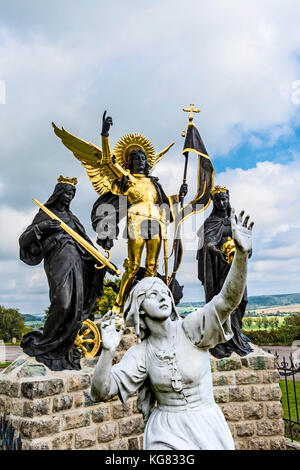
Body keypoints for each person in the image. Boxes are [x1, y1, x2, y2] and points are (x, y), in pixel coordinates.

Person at [91, 210, 254, 450]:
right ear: (140, 309)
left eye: (164, 293)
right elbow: (101, 391)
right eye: (152, 294)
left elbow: (227, 301)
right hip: (166, 431)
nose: (163, 297)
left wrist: (241, 255)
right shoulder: (142, 354)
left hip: (206, 425)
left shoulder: (191, 330)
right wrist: (107, 351)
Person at [19, 176, 106, 371]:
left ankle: (63, 345)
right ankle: (46, 342)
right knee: (62, 302)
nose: (69, 197)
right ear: (58, 193)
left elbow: (86, 244)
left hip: (76, 264)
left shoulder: (72, 219)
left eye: (72, 194)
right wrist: (43, 227)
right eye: (67, 193)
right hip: (57, 263)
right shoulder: (46, 214)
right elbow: (24, 239)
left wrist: (100, 261)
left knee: (73, 306)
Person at [197, 186, 252, 358]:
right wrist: (213, 249)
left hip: (236, 268)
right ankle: (224, 339)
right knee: (225, 303)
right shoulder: (210, 222)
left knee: (242, 300)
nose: (222, 203)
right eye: (218, 200)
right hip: (220, 269)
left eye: (224, 199)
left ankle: (236, 334)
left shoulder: (235, 220)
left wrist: (246, 248)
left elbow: (246, 245)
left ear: (228, 199)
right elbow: (207, 242)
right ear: (214, 203)